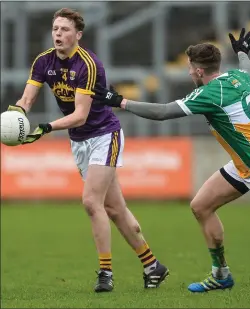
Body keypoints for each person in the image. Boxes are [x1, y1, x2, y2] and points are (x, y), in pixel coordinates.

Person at [91, 28, 250, 293]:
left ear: (200, 71)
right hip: (242, 165)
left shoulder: (209, 94)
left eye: (191, 68)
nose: (189, 72)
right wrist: (243, 53)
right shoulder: (236, 77)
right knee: (201, 206)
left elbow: (163, 112)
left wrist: (119, 101)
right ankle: (221, 274)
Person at [7, 8, 169, 293]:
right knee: (115, 209)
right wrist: (17, 116)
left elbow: (80, 115)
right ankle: (152, 265)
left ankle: (105, 272)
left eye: (65, 30)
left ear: (78, 35)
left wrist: (45, 127)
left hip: (104, 135)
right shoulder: (43, 61)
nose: (58, 34)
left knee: (91, 202)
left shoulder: (89, 65)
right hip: (79, 141)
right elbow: (27, 98)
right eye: (55, 29)